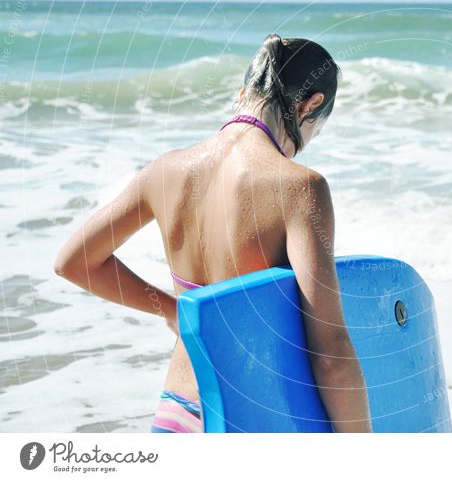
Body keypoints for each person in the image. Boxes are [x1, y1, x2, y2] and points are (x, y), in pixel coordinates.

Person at [54, 33, 373, 434]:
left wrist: (176, 312)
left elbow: (74, 262)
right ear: (312, 105)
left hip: (178, 411)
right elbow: (331, 354)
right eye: (316, 130)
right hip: (254, 416)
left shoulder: (165, 170)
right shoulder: (299, 189)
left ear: (243, 94)